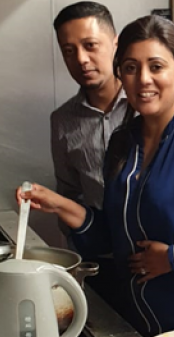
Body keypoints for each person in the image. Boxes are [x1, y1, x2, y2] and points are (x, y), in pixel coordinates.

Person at [19, 15, 174, 337]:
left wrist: (173, 257)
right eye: (130, 67)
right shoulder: (125, 141)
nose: (143, 79)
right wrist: (58, 205)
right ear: (120, 75)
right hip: (156, 322)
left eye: (156, 66)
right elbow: (116, 238)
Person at [51, 1, 127, 214]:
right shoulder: (62, 120)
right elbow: (68, 194)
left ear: (116, 44)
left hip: (157, 243)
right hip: (97, 244)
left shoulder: (146, 104)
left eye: (90, 45)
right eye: (68, 50)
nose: (81, 59)